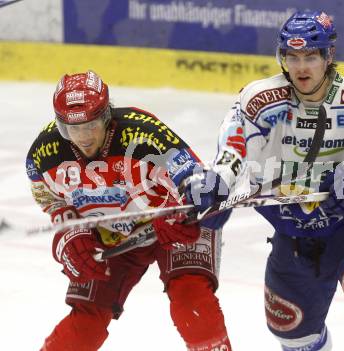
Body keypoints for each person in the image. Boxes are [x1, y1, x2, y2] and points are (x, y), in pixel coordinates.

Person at [210, 11, 344, 351]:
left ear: (329, 56)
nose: (301, 67)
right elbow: (236, 143)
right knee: (295, 336)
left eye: (310, 57)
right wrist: (221, 179)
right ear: (281, 57)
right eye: (292, 56)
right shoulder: (260, 100)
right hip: (294, 236)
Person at [25, 70, 232, 351]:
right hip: (110, 237)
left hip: (169, 226)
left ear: (106, 115)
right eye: (72, 128)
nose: (83, 137)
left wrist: (191, 208)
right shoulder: (43, 154)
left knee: (193, 307)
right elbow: (51, 199)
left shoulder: (143, 134)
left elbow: (194, 178)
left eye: (91, 125)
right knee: (84, 328)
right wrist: (70, 233)